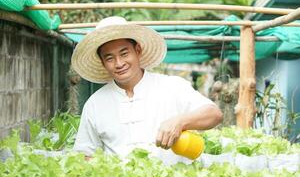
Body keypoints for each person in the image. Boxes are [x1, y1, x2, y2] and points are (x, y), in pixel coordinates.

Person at [72, 16, 223, 163]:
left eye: (124, 53)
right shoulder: (95, 104)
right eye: (109, 58)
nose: (119, 63)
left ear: (137, 50)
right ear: (103, 62)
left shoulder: (172, 86)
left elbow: (214, 114)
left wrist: (180, 121)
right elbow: (85, 154)